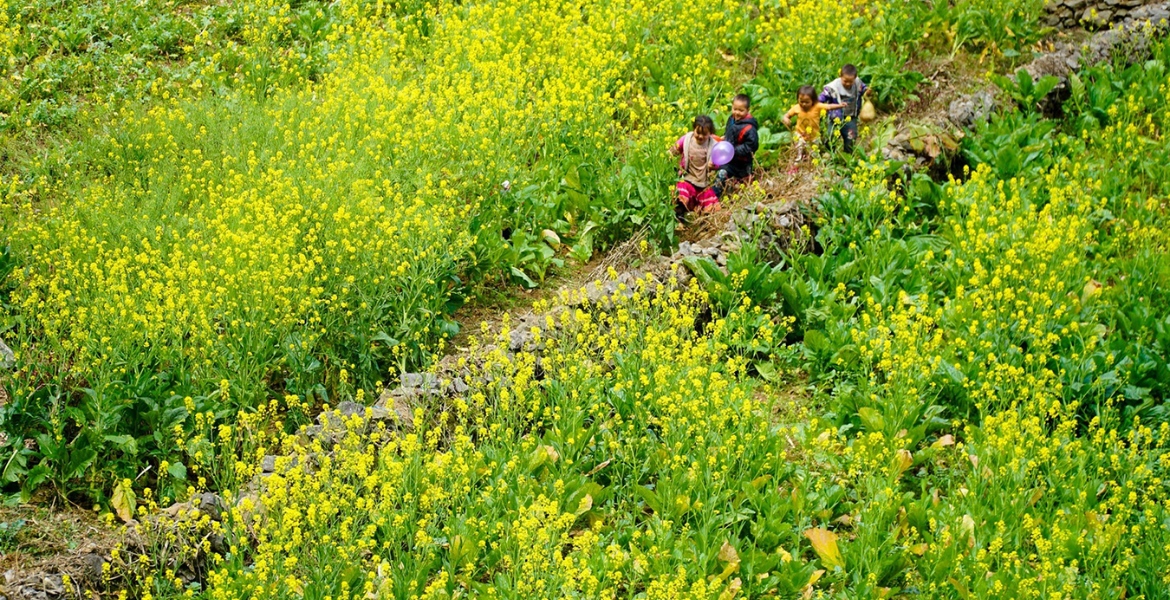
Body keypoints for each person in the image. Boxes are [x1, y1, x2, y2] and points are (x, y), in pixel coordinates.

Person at [782, 85, 845, 173]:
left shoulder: (817, 106)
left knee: (814, 153)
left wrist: (840, 105)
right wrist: (786, 119)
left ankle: (814, 168)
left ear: (813, 101)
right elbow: (786, 115)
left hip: (814, 136)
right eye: (801, 101)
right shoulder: (796, 107)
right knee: (799, 150)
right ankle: (796, 166)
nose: (803, 104)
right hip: (800, 134)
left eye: (807, 102)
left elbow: (829, 107)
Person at [669, 115, 721, 215]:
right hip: (687, 178)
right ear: (693, 129)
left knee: (710, 206)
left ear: (710, 133)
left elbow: (717, 164)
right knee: (680, 195)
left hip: (703, 183)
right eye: (698, 133)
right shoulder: (687, 139)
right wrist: (669, 154)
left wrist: (713, 166)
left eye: (704, 134)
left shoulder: (714, 145)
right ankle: (679, 216)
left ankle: (700, 219)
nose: (700, 136)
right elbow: (674, 150)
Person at [819, 64, 871, 154]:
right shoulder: (833, 87)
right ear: (840, 76)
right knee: (831, 137)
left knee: (851, 138)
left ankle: (848, 157)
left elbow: (863, 89)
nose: (848, 84)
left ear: (855, 78)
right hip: (835, 118)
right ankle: (830, 154)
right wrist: (817, 102)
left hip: (851, 117)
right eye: (845, 81)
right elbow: (823, 96)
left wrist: (868, 91)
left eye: (851, 81)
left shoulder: (857, 83)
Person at [718, 94, 760, 185]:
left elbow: (751, 146)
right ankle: (714, 195)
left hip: (742, 162)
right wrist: (725, 137)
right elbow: (729, 132)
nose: (737, 112)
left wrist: (734, 150)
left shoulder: (749, 128)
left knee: (743, 182)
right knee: (721, 174)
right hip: (729, 159)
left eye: (741, 110)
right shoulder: (731, 119)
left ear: (748, 110)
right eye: (735, 109)